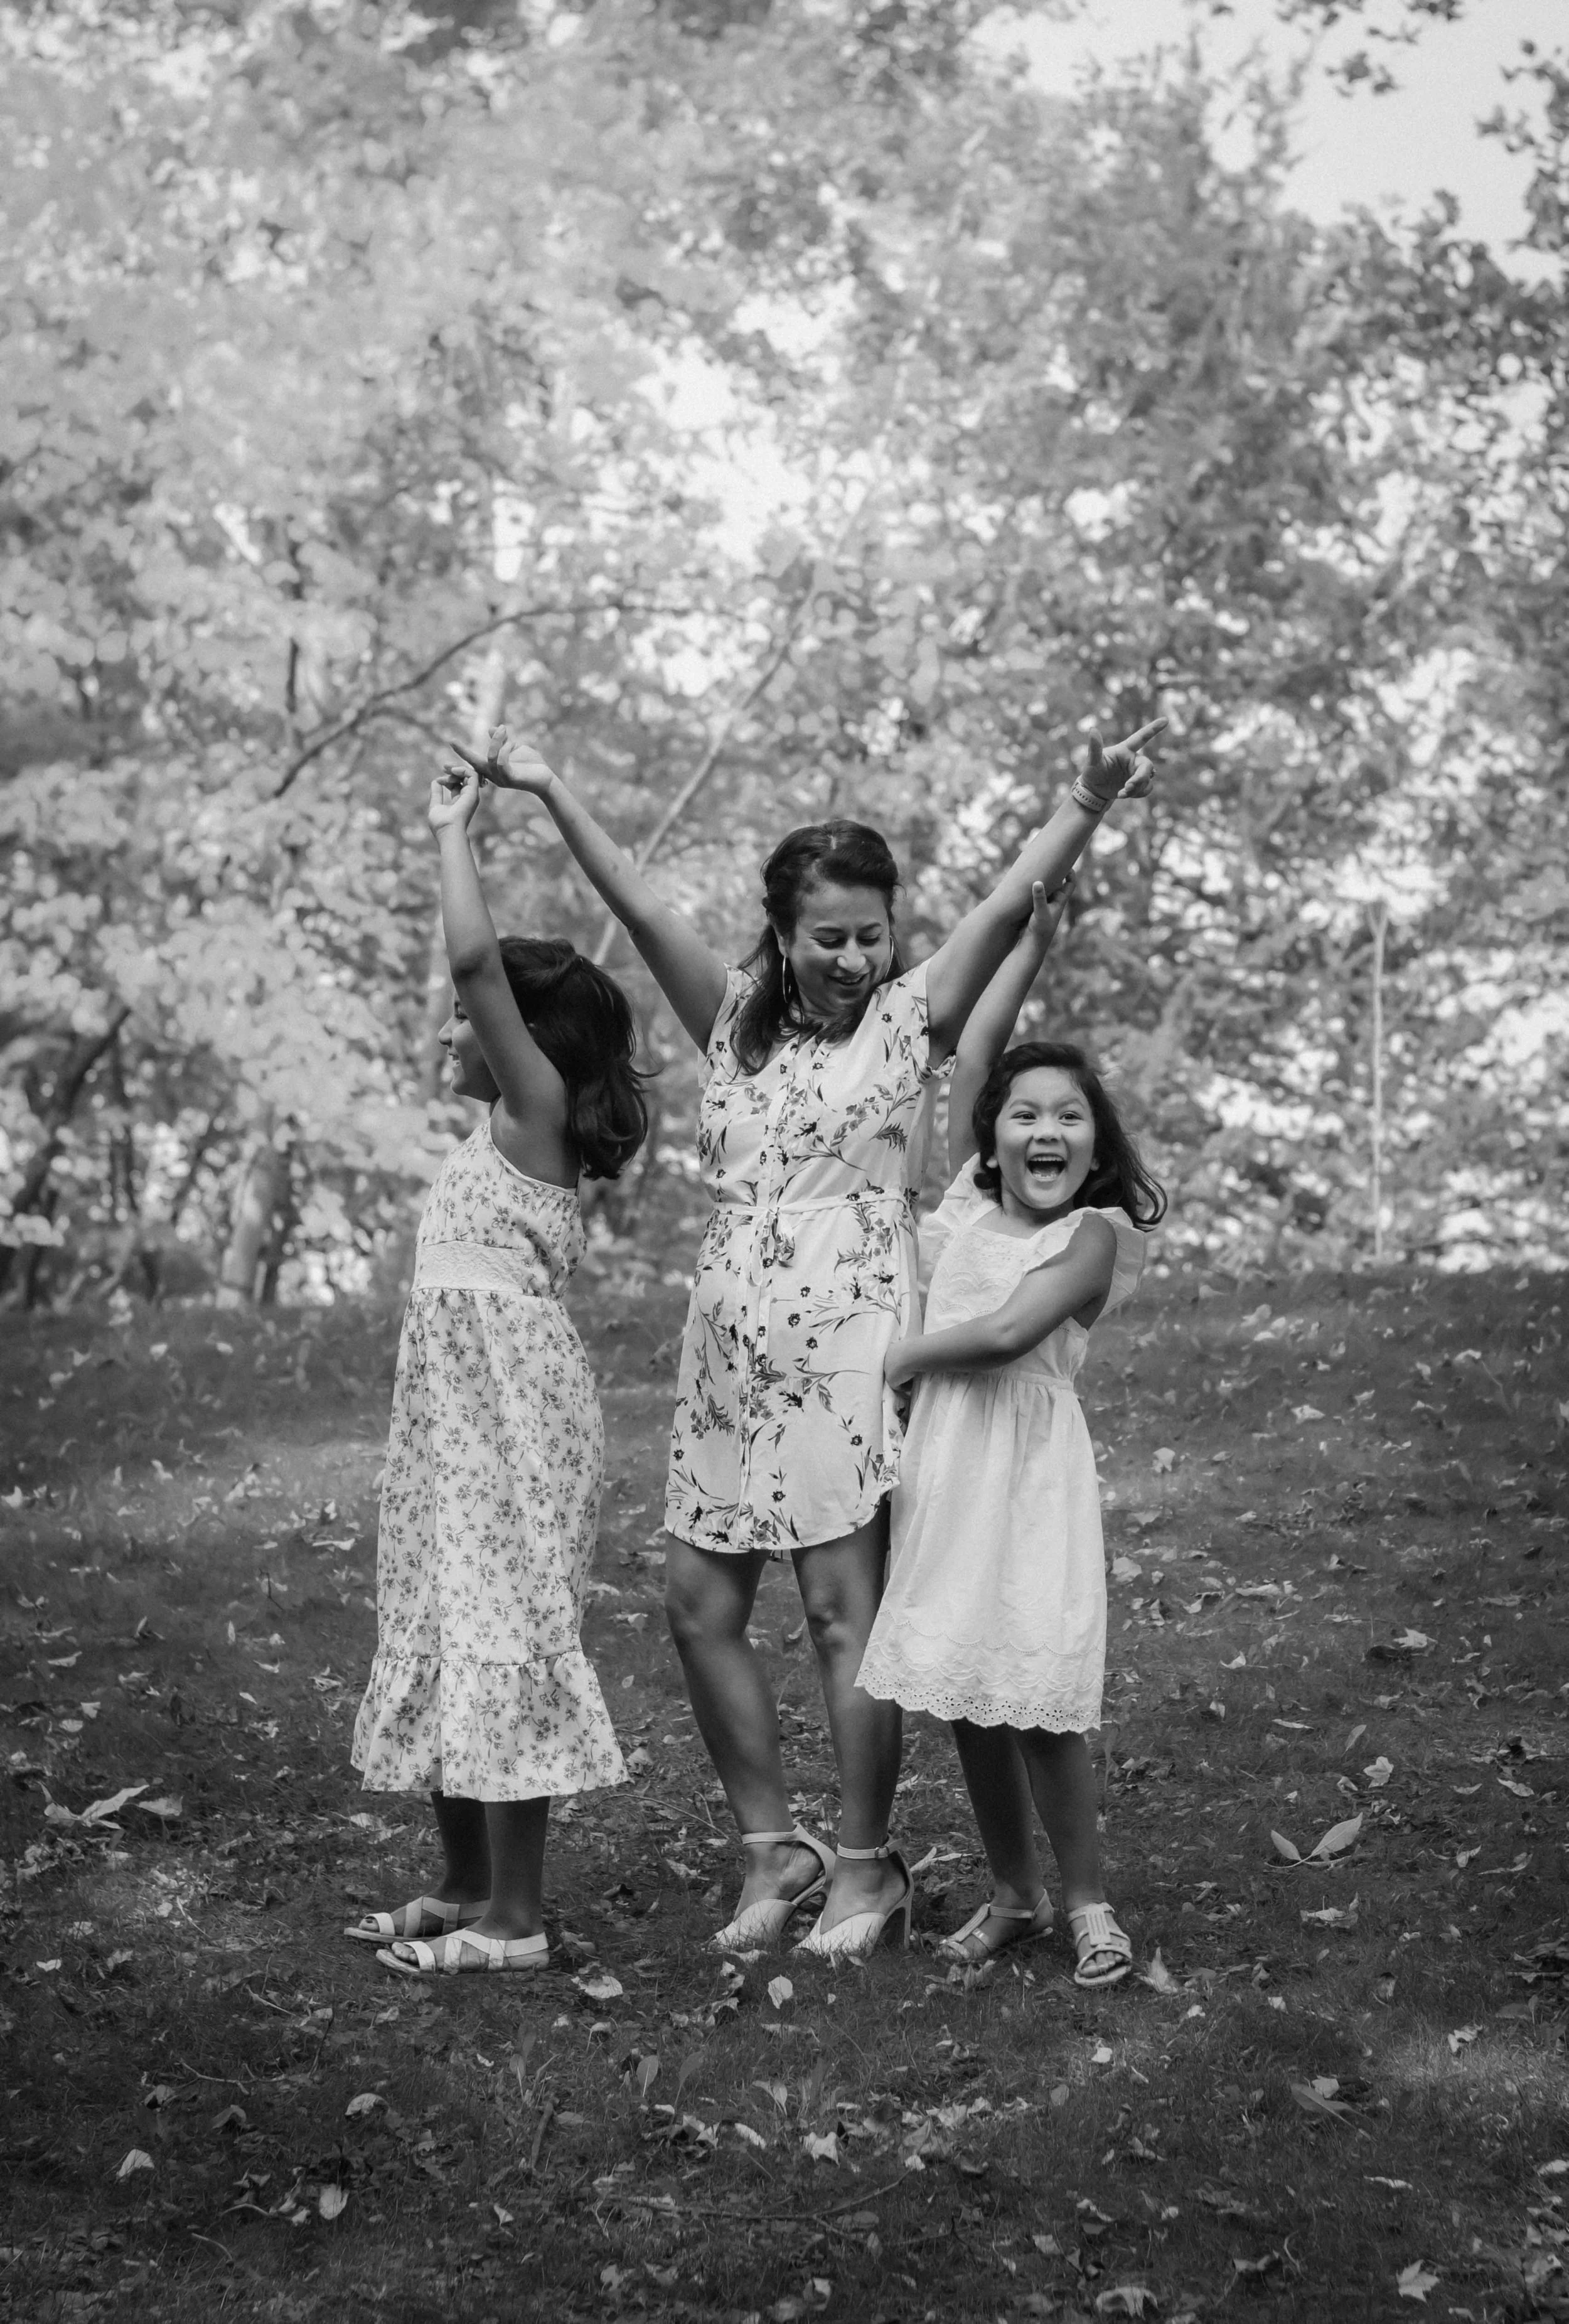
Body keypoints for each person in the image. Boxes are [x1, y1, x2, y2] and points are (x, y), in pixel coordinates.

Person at [451, 714, 1162, 1963]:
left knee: (842, 1614)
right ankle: (772, 1847)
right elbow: (633, 895)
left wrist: (1085, 801)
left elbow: (1008, 897)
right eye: (826, 936)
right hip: (727, 1345)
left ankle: (867, 1866)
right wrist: (550, 788)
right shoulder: (732, 1019)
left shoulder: (907, 1019)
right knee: (696, 1603)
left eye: (869, 934)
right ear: (782, 935)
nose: (850, 957)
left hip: (850, 1336)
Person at [345, 762, 646, 1975]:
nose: (449, 1028)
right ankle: (467, 1882)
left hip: (514, 1424)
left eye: (467, 1019)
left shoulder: (537, 1110)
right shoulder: (492, 1129)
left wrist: (451, 832)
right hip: (450, 1426)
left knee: (507, 1631)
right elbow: (473, 983)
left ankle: (517, 1922)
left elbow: (477, 963)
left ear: (529, 1036)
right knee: (442, 1619)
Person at [856, 879, 1165, 1984]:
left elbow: (1006, 1333)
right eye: (1024, 1113)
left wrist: (899, 1358)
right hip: (947, 1473)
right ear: (993, 1133)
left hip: (1029, 1479)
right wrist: (1031, 941)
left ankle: (1088, 1903)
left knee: (1038, 1697)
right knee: (965, 1691)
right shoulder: (965, 1209)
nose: (1045, 1129)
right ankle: (1014, 1894)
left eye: (1070, 1116)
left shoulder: (1094, 1236)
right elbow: (976, 1050)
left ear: (1097, 1143)